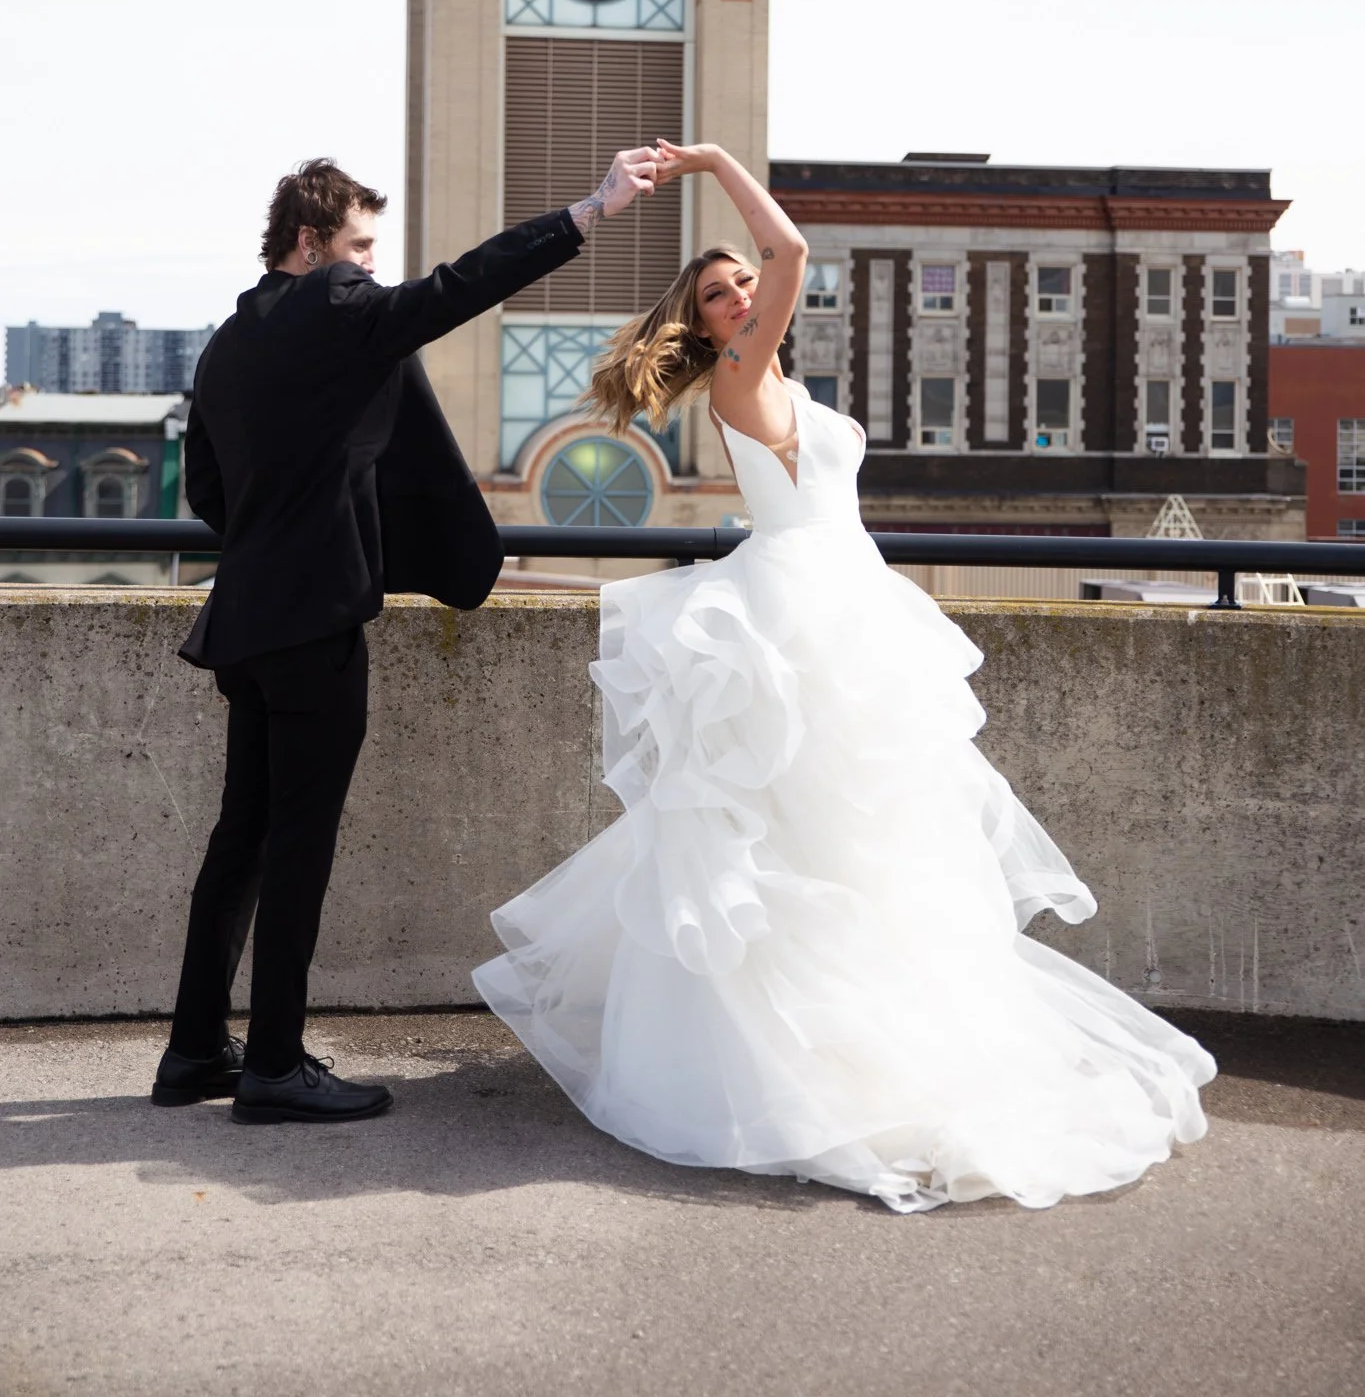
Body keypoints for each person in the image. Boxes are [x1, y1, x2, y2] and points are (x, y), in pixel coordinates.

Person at [474, 142, 1215, 1212]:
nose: (740, 296)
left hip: (843, 602)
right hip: (802, 617)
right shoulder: (739, 375)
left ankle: (883, 1044)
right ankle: (802, 1073)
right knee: (800, 837)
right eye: (721, 292)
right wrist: (719, 158)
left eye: (741, 286)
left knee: (872, 835)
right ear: (709, 322)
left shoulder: (771, 377)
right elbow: (794, 245)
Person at [154, 148, 658, 1124]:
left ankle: (193, 1047)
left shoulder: (223, 344)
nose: (370, 269)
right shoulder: (338, 309)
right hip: (314, 622)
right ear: (311, 242)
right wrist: (591, 208)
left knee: (242, 836)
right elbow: (462, 286)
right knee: (299, 841)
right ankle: (272, 1063)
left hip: (245, 622)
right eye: (359, 247)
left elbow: (209, 494)